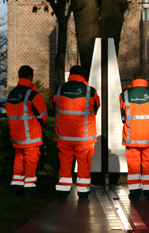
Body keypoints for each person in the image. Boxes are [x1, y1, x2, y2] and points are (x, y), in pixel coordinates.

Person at [54, 65, 100, 198]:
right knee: (84, 165)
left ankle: (63, 191)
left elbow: (55, 106)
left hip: (64, 136)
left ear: (70, 75)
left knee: (65, 164)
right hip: (84, 138)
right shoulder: (90, 91)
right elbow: (96, 107)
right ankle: (83, 192)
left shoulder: (59, 89)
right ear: (83, 76)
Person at [6, 65, 48, 199]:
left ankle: (16, 188)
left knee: (19, 161)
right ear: (30, 77)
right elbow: (44, 118)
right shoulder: (33, 95)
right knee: (31, 162)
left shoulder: (11, 95)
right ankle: (29, 191)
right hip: (31, 137)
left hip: (16, 137)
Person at [119, 71, 149, 199]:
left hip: (132, 137)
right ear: (146, 80)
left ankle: (135, 192)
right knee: (148, 164)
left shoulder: (124, 95)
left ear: (132, 79)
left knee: (133, 165)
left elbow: (123, 116)